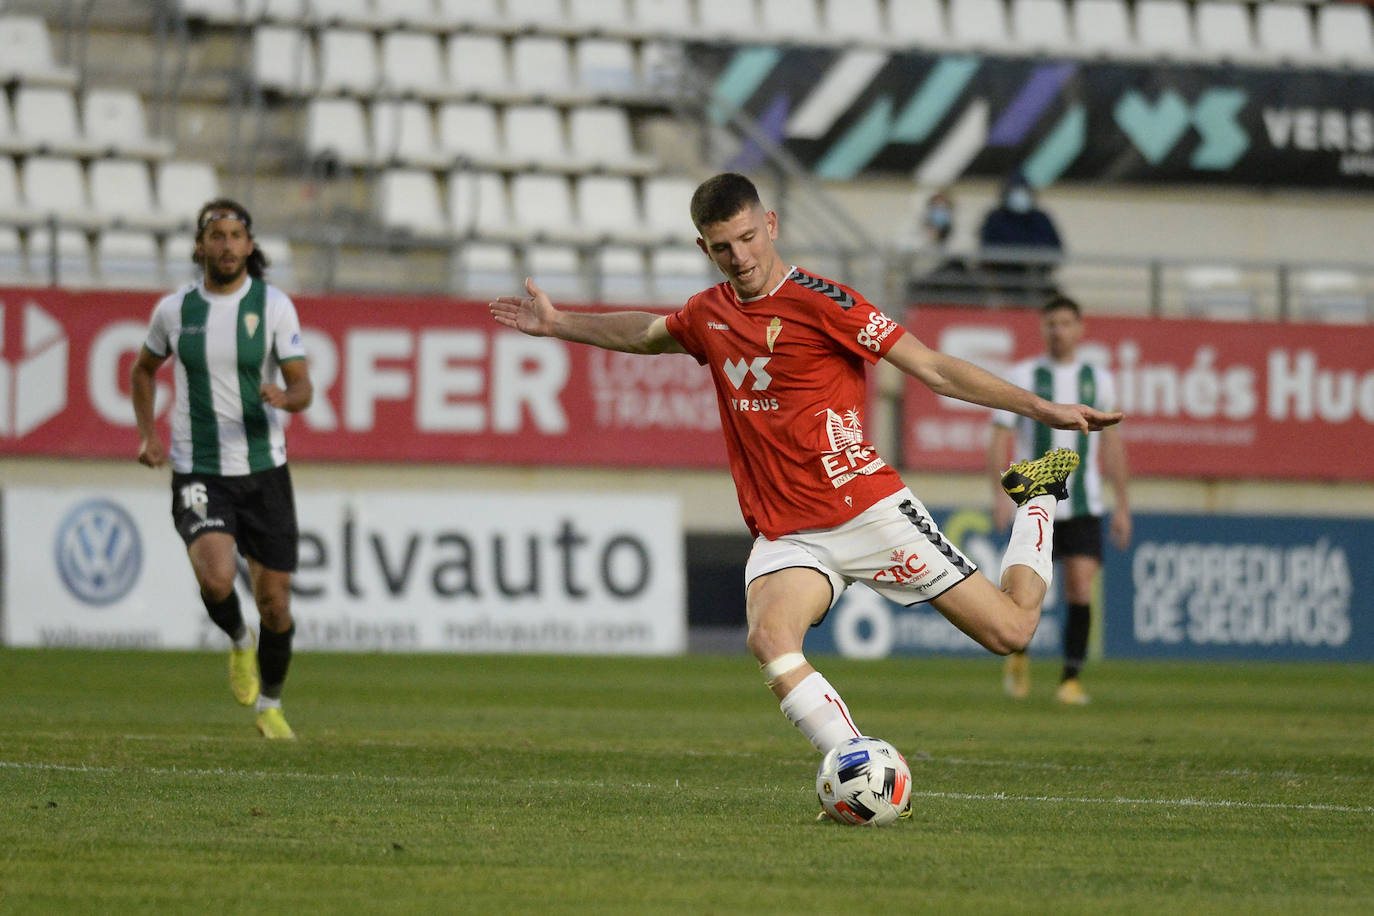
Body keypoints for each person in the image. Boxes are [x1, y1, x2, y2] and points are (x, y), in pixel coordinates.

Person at [489, 173, 1120, 788]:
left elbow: (933, 369)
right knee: (768, 636)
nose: (739, 258)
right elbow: (647, 332)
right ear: (702, 249)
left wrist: (1042, 410)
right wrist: (560, 323)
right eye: (721, 248)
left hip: (867, 509)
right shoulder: (708, 315)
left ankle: (1038, 492)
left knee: (1011, 633)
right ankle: (858, 768)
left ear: (770, 224)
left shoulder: (825, 302)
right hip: (788, 532)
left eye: (747, 238)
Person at [130, 198, 313, 740]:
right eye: (218, 236)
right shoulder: (174, 310)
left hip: (265, 471)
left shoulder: (274, 306)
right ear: (200, 246)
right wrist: (147, 434)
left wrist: (286, 395)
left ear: (250, 246)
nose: (227, 245)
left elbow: (304, 386)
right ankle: (238, 641)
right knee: (214, 576)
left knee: (275, 603)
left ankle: (272, 704)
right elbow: (143, 371)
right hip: (198, 468)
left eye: (237, 236)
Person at [987, 295, 1131, 705]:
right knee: (1027, 591)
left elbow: (1114, 446)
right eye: (1052, 323)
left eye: (1067, 323)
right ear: (1042, 328)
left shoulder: (1097, 379)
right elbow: (1000, 436)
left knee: (1080, 588)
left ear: (1080, 328)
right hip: (1037, 503)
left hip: (1085, 504)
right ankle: (1019, 653)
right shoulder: (1024, 374)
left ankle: (1070, 678)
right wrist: (999, 495)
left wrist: (1122, 504)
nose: (1059, 330)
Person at [977, 172, 1064, 304]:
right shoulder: (995, 218)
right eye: (1014, 191)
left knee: (1056, 302)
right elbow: (985, 250)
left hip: (1036, 276)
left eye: (1023, 191)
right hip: (1003, 278)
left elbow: (1056, 249)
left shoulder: (1041, 218)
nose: (1019, 196)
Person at [905, 189, 972, 304]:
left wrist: (944, 235)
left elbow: (965, 253)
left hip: (952, 286)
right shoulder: (916, 233)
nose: (939, 213)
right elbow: (913, 259)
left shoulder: (959, 235)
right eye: (935, 208)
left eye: (943, 209)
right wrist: (930, 237)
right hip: (924, 285)